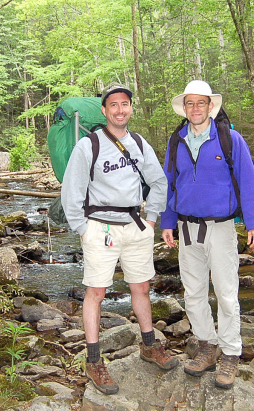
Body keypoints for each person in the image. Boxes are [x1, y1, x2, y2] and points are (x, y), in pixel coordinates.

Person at [61, 83, 178, 395]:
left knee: (141, 286)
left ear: (130, 108)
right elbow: (71, 190)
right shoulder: (89, 145)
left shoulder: (139, 143)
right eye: (113, 105)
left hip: (135, 224)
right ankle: (94, 360)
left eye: (124, 104)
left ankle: (150, 345)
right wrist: (82, 228)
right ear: (104, 110)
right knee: (96, 292)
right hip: (100, 226)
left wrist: (151, 217)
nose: (119, 109)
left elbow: (158, 181)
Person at [160, 80, 254, 390]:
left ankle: (231, 352)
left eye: (200, 103)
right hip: (187, 227)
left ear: (210, 106)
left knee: (226, 293)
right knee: (192, 294)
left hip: (220, 227)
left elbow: (248, 181)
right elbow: (170, 184)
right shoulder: (175, 142)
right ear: (185, 108)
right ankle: (206, 345)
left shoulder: (230, 139)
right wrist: (167, 222)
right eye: (190, 103)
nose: (195, 108)